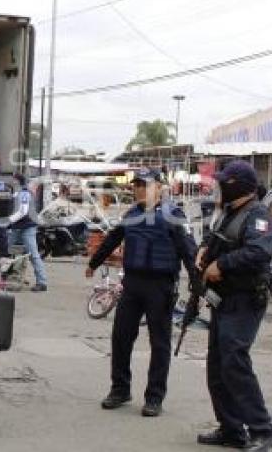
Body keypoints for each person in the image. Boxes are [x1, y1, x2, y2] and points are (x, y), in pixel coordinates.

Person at [85, 168, 196, 418]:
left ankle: (154, 396)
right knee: (121, 337)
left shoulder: (173, 215)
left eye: (144, 185)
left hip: (160, 286)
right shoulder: (132, 214)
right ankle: (120, 389)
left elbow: (188, 250)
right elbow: (113, 238)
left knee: (159, 343)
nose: (138, 189)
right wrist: (94, 263)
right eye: (136, 185)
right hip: (133, 284)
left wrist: (196, 284)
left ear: (159, 187)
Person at [196, 160, 272, 451]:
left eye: (223, 182)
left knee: (234, 361)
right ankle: (231, 429)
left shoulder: (258, 215)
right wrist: (204, 250)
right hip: (224, 299)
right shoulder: (229, 212)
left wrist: (222, 264)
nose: (218, 186)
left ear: (238, 187)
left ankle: (263, 430)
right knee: (217, 367)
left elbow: (259, 251)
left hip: (244, 299)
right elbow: (216, 237)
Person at [9, 173, 47, 292]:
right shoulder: (16, 194)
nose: (12, 183)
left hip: (27, 227)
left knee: (32, 254)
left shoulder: (24, 194)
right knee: (6, 250)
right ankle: (11, 278)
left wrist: (8, 221)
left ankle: (42, 282)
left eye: (14, 181)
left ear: (19, 182)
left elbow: (23, 211)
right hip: (17, 227)